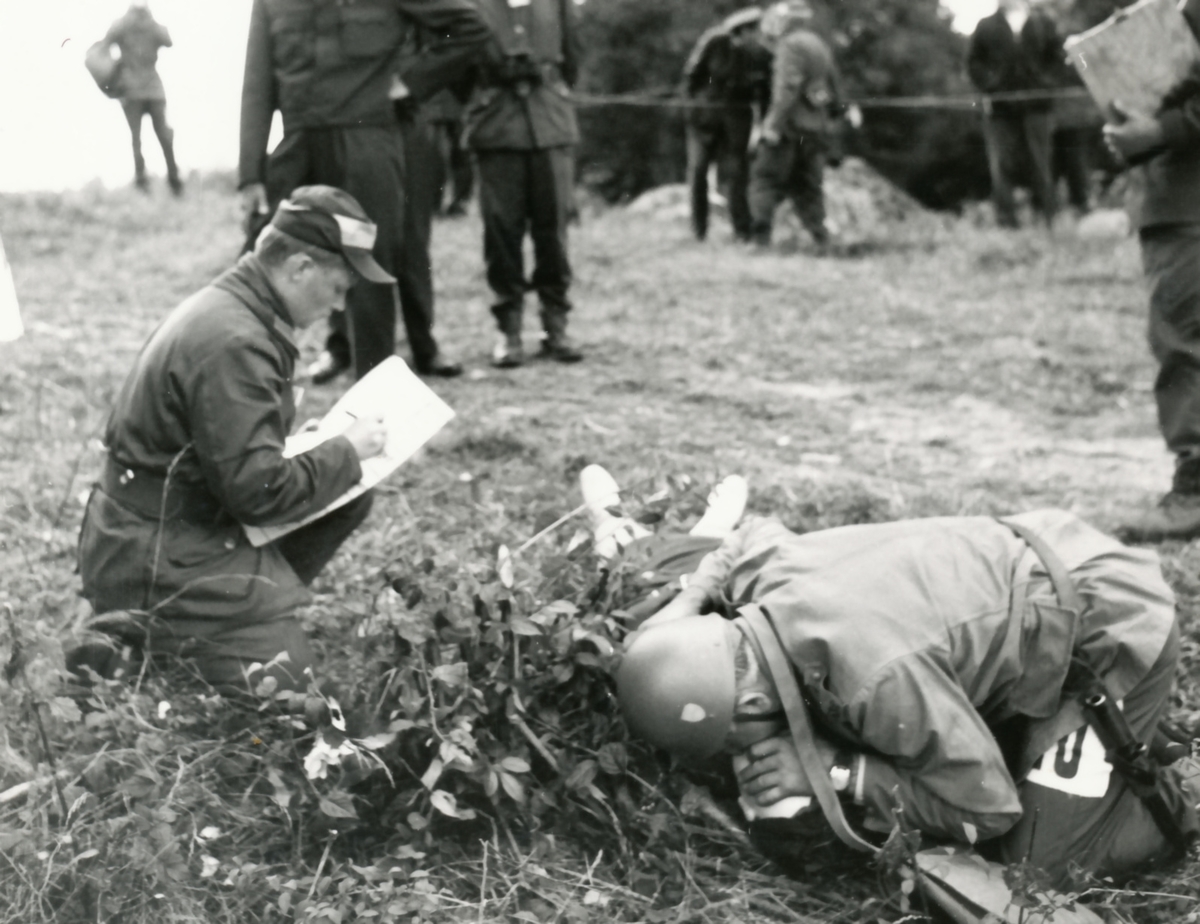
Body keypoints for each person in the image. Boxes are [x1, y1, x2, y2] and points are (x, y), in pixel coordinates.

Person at [610, 472, 1200, 889]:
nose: (743, 754)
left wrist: (835, 768)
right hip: (1024, 586)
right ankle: (1055, 748)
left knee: (1032, 872)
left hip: (1109, 624)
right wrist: (683, 605)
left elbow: (988, 812)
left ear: (756, 697)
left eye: (735, 737)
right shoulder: (766, 580)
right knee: (925, 741)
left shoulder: (876, 684)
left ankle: (1138, 782)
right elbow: (744, 534)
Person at [75, 187, 391, 696]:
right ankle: (184, 635)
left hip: (153, 529)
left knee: (347, 494)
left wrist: (307, 448)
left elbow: (217, 447)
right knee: (298, 706)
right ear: (301, 267)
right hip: (161, 555)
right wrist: (345, 450)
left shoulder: (234, 307)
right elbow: (258, 493)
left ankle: (225, 621)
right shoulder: (237, 339)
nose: (340, 304)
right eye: (339, 285)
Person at [239, 0, 488, 385]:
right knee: (264, 258)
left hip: (366, 139)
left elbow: (469, 27)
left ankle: (373, 396)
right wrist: (250, 173)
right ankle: (246, 384)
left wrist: (412, 82)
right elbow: (257, 82)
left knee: (370, 263)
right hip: (299, 140)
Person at [1109, 0, 1200, 542]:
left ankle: (1194, 489)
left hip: (1189, 207)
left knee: (1183, 342)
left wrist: (1157, 132)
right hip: (1172, 198)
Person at [464, 0, 584, 368]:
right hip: (496, 126)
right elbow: (459, 67)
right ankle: (509, 328)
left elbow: (573, 57)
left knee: (553, 228)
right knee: (501, 231)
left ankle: (555, 325)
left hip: (550, 124)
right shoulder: (473, 5)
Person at [747, 1, 851, 250]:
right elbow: (836, 93)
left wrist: (771, 126)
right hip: (815, 131)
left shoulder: (790, 45)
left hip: (789, 129)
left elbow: (787, 90)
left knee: (764, 180)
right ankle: (822, 240)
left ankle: (760, 241)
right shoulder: (818, 45)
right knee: (809, 188)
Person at [967, 0, 1064, 228]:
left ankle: (1046, 219)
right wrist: (992, 85)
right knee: (1002, 164)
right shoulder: (986, 25)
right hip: (1000, 108)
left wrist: (1045, 84)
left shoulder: (1043, 23)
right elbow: (973, 62)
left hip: (1037, 106)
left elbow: (1058, 58)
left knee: (1040, 161)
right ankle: (1006, 221)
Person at [681, 7, 773, 243]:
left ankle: (741, 232)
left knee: (736, 176)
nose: (758, 35)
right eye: (754, 31)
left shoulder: (762, 55)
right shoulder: (715, 42)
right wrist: (693, 109)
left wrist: (762, 127)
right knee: (698, 171)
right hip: (703, 123)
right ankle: (698, 231)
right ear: (743, 31)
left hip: (737, 126)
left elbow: (765, 96)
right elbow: (692, 75)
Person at [102, 1, 181, 195]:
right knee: (161, 136)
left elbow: (105, 45)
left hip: (133, 89)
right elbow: (167, 40)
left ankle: (144, 183)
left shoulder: (122, 24)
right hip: (151, 89)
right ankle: (172, 181)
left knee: (138, 138)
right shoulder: (150, 24)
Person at [426, 89, 475, 217]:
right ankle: (457, 201)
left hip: (443, 103)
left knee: (455, 152)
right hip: (449, 103)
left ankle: (452, 202)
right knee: (451, 153)